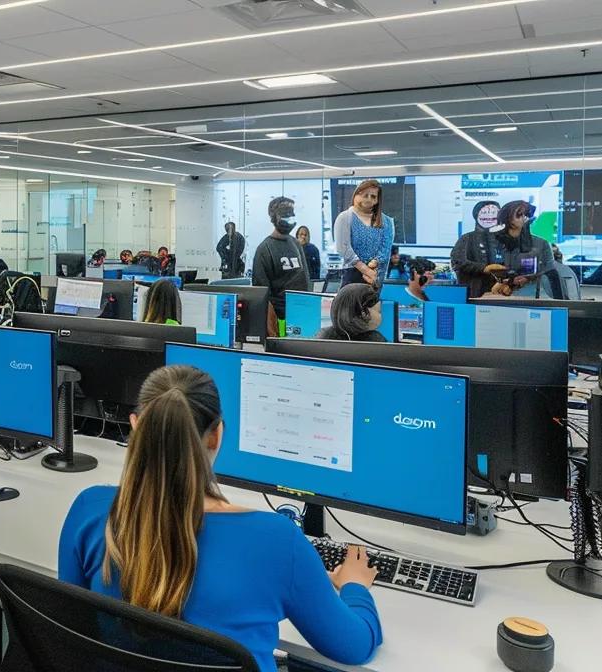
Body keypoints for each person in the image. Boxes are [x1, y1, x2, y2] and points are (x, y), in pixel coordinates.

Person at [59, 366, 382, 669]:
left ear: (136, 425)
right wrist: (354, 586)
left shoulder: (89, 509)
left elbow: (69, 628)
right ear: (216, 435)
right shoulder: (276, 540)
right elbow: (354, 646)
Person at [253, 196, 312, 339]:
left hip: (303, 314)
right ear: (274, 218)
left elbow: (305, 278)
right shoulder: (264, 249)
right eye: (285, 215)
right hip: (281, 320)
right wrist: (273, 333)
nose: (289, 219)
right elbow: (263, 296)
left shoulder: (295, 243)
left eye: (291, 214)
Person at [333, 179, 395, 287]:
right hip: (353, 273)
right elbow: (343, 248)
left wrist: (373, 265)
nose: (368, 199)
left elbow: (385, 249)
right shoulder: (345, 218)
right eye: (365, 195)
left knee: (374, 303)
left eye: (373, 196)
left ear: (377, 200)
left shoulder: (387, 222)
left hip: (376, 275)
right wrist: (366, 270)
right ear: (356, 195)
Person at [494, 201, 552, 297]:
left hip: (532, 296)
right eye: (519, 214)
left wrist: (529, 278)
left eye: (526, 214)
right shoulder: (493, 242)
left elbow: (549, 270)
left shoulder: (541, 243)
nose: (524, 218)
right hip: (496, 295)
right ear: (507, 218)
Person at [451, 200, 503, 296]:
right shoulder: (467, 238)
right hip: (473, 293)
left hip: (501, 293)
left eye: (493, 213)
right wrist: (483, 268)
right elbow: (458, 262)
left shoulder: (504, 239)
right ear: (476, 215)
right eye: (485, 213)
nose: (489, 216)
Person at [316, 284, 387, 342]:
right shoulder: (375, 340)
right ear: (363, 313)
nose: (382, 315)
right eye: (379, 311)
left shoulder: (324, 336)